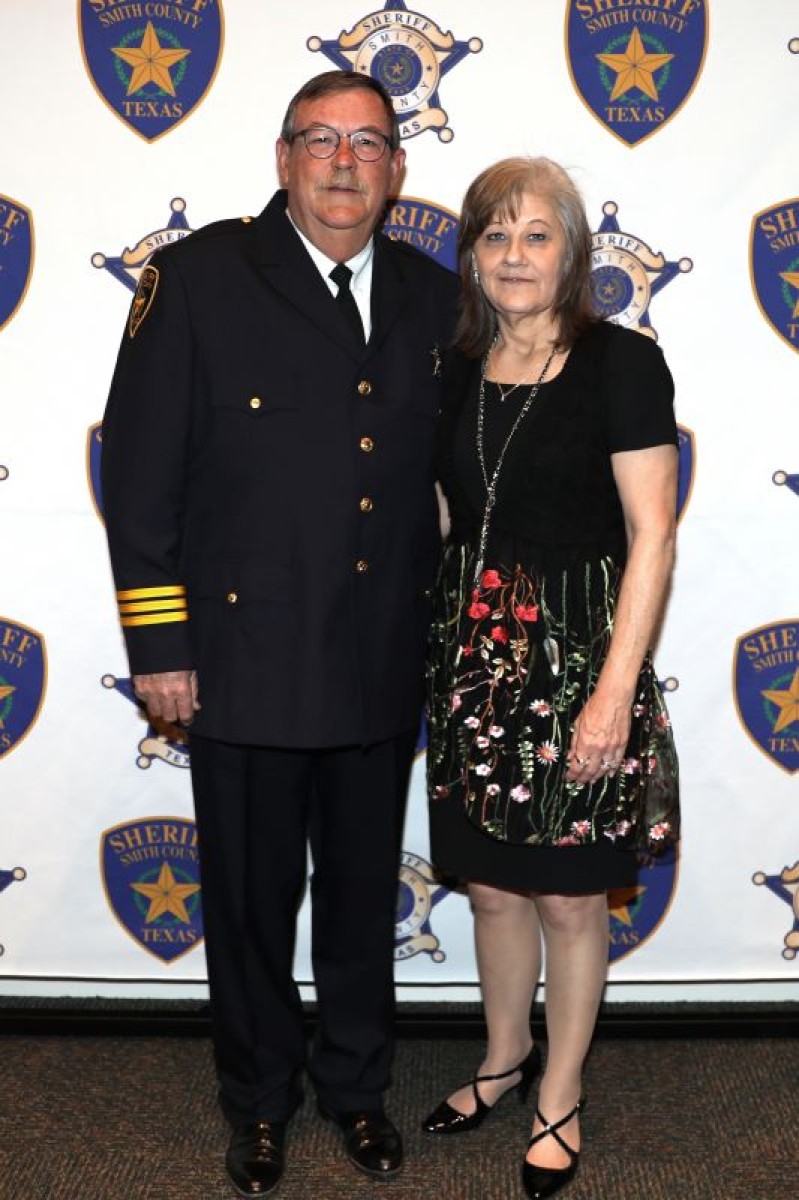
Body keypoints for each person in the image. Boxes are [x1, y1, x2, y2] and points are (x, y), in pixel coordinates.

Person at [102, 70, 459, 1197]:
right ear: (283, 157)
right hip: (242, 661)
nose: (345, 163)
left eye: (368, 143)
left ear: (397, 167)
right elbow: (140, 481)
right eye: (322, 140)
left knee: (359, 897)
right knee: (251, 906)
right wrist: (161, 645)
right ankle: (258, 1101)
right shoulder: (198, 280)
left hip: (377, 656)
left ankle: (356, 1090)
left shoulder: (432, 295)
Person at [422, 157, 679, 1199]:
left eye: (536, 235)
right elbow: (449, 519)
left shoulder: (621, 362)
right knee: (490, 887)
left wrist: (614, 692)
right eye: (495, 235)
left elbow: (652, 535)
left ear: (571, 254)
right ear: (470, 256)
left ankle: (559, 1094)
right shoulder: (453, 369)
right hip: (471, 667)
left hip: (577, 662)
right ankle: (502, 1059)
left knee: (571, 901)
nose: (514, 254)